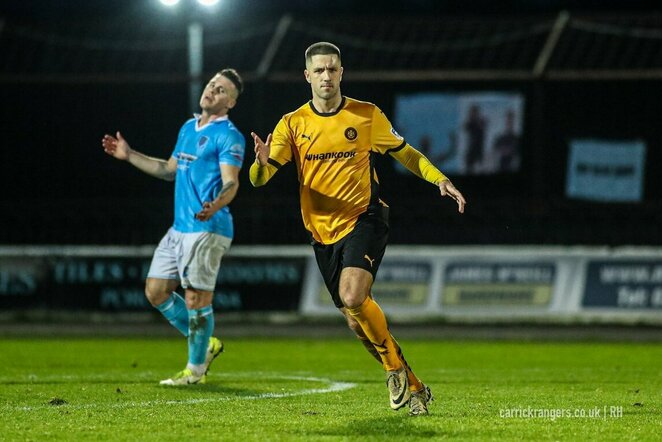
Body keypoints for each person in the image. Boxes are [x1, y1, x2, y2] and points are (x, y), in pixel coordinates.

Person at [249, 42, 466, 415]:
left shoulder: (365, 116)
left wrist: (438, 179)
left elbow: (405, 152)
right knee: (357, 323)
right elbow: (260, 179)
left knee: (353, 296)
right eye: (319, 70)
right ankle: (414, 386)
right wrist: (260, 163)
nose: (326, 76)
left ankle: (394, 370)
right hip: (322, 233)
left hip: (365, 217)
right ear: (307, 76)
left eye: (332, 69)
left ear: (341, 72)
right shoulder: (292, 123)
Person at [102, 68, 245, 385]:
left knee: (196, 299)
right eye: (211, 85)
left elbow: (231, 182)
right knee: (155, 291)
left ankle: (194, 371)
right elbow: (169, 170)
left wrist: (217, 204)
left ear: (230, 103)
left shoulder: (229, 136)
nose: (212, 91)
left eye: (221, 90)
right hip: (179, 228)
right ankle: (205, 344)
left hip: (208, 227)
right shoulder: (187, 128)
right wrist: (129, 155)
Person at [463, 103, 487, 174]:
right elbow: (465, 127)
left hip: (479, 151)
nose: (473, 115)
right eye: (472, 113)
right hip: (471, 151)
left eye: (474, 113)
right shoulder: (469, 124)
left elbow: (483, 126)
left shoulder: (481, 123)